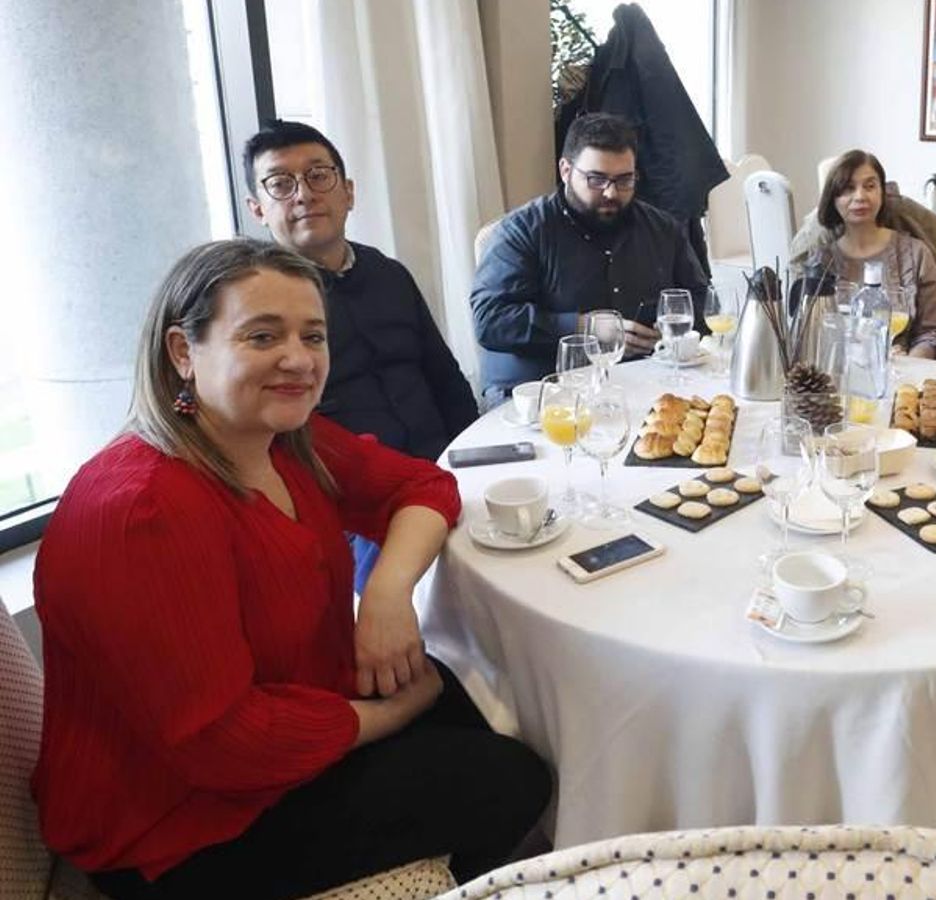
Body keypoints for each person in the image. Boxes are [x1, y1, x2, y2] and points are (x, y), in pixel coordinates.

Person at [32, 240, 551, 899]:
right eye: (262, 335)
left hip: (292, 717)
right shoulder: (144, 512)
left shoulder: (282, 438)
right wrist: (392, 715)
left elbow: (424, 487)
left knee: (482, 704)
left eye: (314, 335)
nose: (300, 360)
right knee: (512, 779)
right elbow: (223, 742)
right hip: (177, 823)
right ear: (182, 353)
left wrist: (388, 595)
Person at [242, 119, 479, 589]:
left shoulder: (388, 274)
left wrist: (472, 459)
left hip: (443, 470)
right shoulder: (258, 304)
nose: (304, 195)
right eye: (280, 185)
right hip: (352, 504)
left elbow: (443, 375)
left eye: (318, 176)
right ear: (258, 209)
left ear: (348, 193)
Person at [471, 112, 708, 400]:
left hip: (644, 383)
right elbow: (491, 320)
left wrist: (668, 329)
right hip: (542, 389)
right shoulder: (522, 231)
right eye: (596, 179)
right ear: (566, 170)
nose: (611, 192)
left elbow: (699, 299)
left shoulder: (663, 229)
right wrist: (585, 328)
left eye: (624, 180)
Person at [805, 150, 936, 359]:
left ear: (883, 193)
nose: (860, 196)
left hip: (904, 377)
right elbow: (811, 337)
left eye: (870, 186)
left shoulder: (916, 254)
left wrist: (908, 365)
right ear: (833, 199)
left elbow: (933, 334)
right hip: (836, 377)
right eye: (848, 189)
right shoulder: (820, 262)